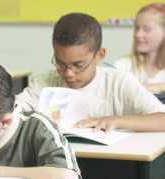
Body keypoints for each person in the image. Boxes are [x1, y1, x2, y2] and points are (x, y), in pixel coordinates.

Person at [16, 12, 165, 132]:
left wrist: (114, 120)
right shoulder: (44, 82)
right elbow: (12, 111)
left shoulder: (119, 82)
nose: (69, 73)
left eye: (78, 65)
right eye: (60, 64)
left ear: (99, 56)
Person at [114, 3, 165, 94]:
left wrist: (153, 87)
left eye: (147, 29)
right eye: (137, 28)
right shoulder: (122, 66)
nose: (138, 34)